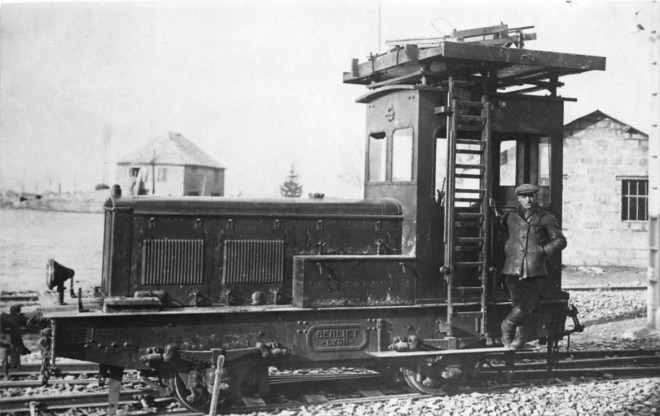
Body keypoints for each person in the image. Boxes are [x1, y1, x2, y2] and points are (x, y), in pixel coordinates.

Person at [499, 184, 567, 349]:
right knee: (517, 305)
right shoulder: (510, 217)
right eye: (524, 196)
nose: (528, 199)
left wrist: (543, 251)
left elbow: (560, 240)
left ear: (536, 197)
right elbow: (504, 236)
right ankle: (520, 338)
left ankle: (507, 325)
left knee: (528, 303)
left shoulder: (546, 217)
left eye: (531, 196)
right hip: (512, 268)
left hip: (534, 269)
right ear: (519, 198)